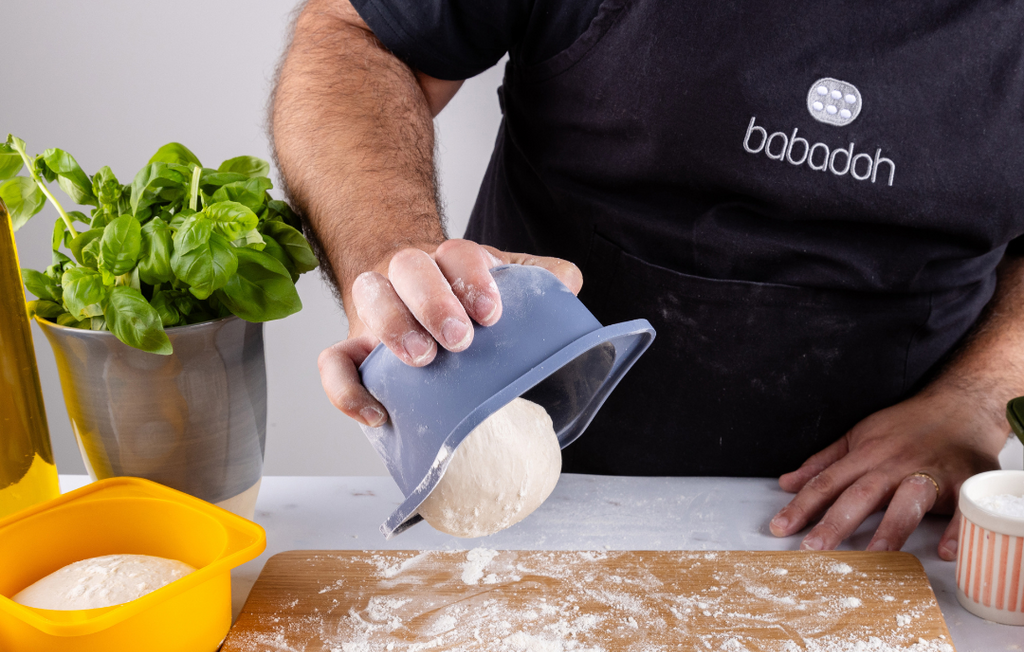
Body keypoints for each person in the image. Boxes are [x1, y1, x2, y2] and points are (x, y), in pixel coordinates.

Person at [271, 0, 1024, 557]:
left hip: (880, 531)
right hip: (533, 496)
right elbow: (360, 35)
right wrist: (395, 261)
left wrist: (981, 395)